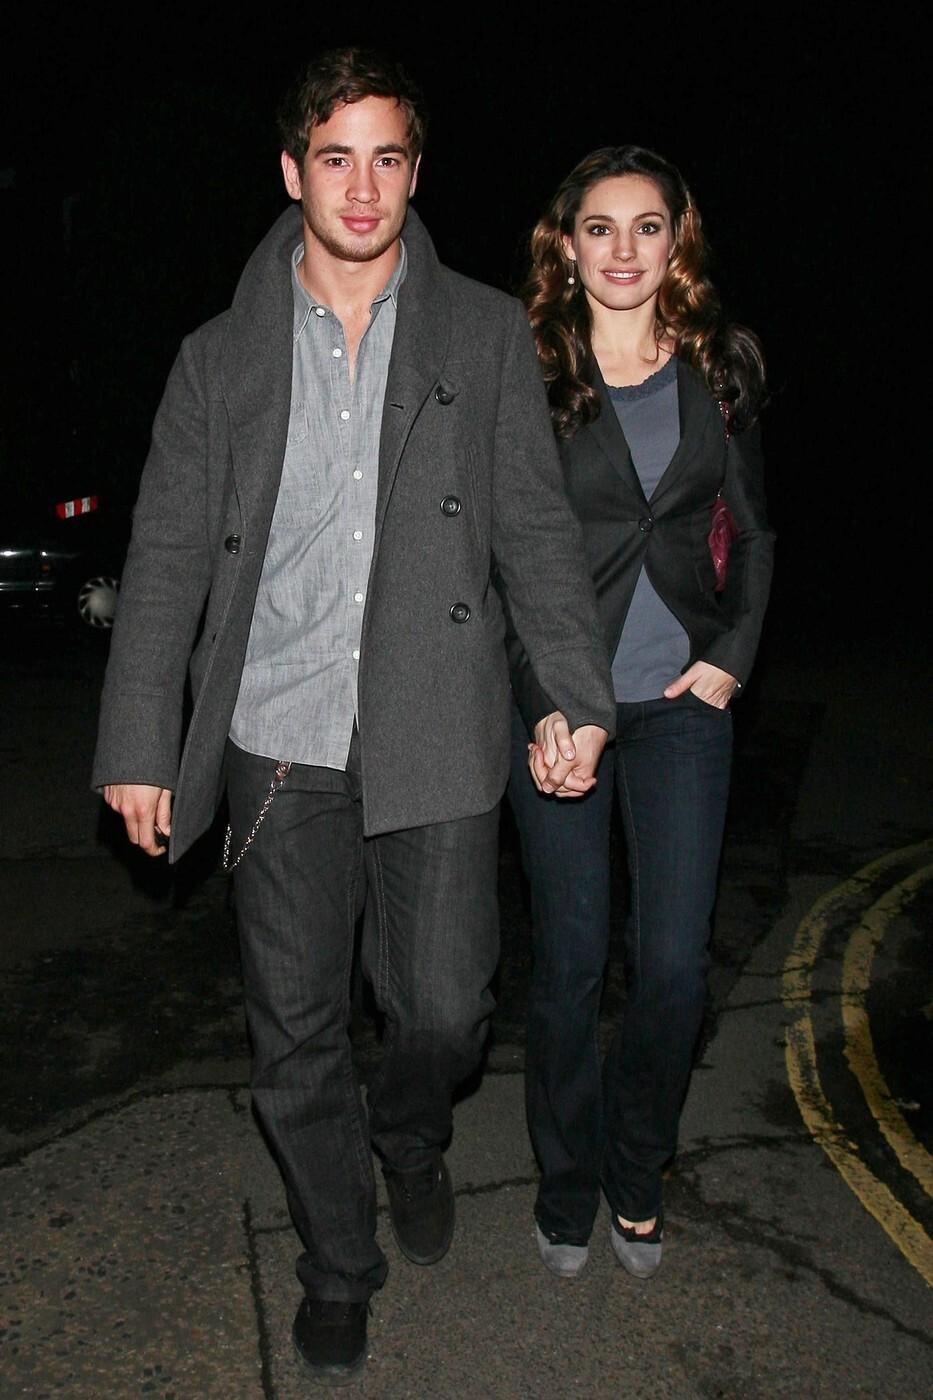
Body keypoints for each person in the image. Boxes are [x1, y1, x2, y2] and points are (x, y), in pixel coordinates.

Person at [92, 49, 616, 1384]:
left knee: (442, 1012)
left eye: (388, 157)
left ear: (415, 172)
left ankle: (410, 1136)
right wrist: (141, 741)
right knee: (293, 1035)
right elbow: (164, 559)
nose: (364, 185)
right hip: (276, 736)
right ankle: (338, 1261)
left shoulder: (481, 335)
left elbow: (536, 533)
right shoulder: (218, 359)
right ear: (293, 172)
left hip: (435, 727)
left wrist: (571, 692)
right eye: (337, 157)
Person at [505, 145, 774, 1282]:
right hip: (562, 708)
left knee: (672, 969)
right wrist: (540, 703)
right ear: (566, 246)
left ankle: (635, 1163)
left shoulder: (720, 363)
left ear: (677, 241)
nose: (624, 250)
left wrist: (731, 657)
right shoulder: (527, 370)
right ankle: (566, 1182)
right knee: (568, 965)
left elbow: (751, 528)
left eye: (647, 227)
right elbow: (503, 555)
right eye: (600, 228)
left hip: (681, 707)